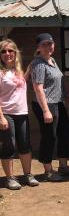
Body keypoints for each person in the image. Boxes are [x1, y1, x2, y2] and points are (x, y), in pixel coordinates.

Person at [31, 33, 69, 182]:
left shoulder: (52, 60)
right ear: (38, 47)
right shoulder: (38, 64)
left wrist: (64, 96)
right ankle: (48, 170)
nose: (48, 47)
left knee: (66, 132)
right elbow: (38, 88)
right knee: (49, 136)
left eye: (50, 43)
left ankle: (63, 165)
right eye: (44, 44)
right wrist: (46, 110)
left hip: (58, 102)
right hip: (46, 104)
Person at [0, 39, 38, 190]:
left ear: (15, 53)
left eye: (10, 51)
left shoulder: (18, 71)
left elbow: (23, 80)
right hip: (7, 113)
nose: (7, 54)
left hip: (22, 113)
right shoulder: (1, 73)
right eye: (3, 51)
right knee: (9, 146)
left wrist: (36, 58)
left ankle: (28, 175)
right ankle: (10, 178)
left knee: (24, 144)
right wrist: (1, 117)